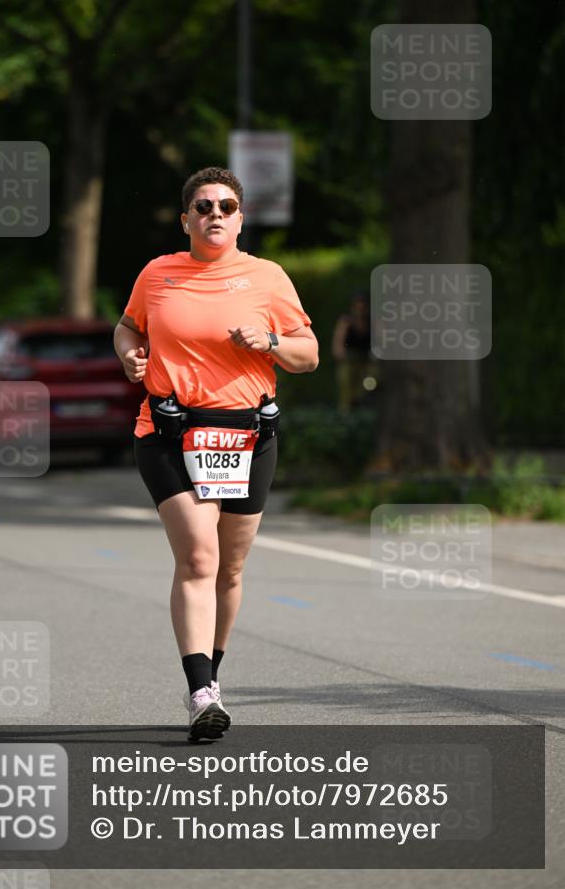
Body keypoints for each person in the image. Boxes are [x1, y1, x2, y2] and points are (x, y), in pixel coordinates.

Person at [114, 166, 318, 741]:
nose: (215, 216)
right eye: (203, 207)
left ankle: (211, 680)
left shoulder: (267, 278)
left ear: (241, 218)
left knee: (230, 567)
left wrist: (273, 342)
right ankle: (201, 691)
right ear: (186, 219)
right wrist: (130, 355)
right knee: (199, 559)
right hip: (170, 432)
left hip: (247, 436)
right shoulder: (159, 275)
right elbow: (127, 327)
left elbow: (310, 355)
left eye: (226, 207)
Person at [331, 290, 378, 412]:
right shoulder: (346, 322)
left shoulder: (372, 322)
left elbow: (380, 342)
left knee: (369, 383)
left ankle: (364, 405)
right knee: (346, 383)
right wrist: (342, 355)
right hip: (350, 361)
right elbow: (338, 346)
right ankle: (346, 410)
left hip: (367, 362)